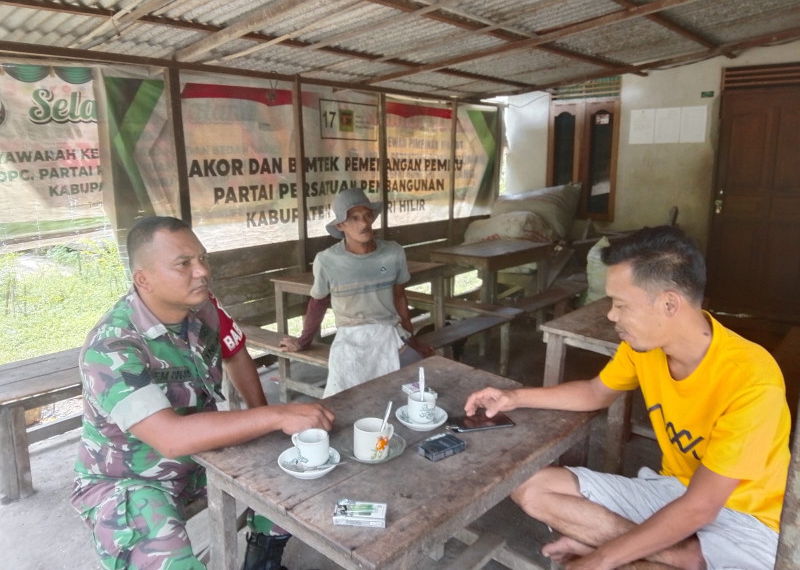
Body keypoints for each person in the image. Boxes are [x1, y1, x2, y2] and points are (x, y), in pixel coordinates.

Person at [464, 225, 790, 570]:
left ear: (669, 303)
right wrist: (514, 397)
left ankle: (630, 551)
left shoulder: (752, 379)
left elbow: (702, 506)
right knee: (530, 487)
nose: (611, 315)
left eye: (620, 304)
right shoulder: (643, 348)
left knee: (619, 566)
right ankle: (677, 556)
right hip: (673, 490)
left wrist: (600, 557)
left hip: (746, 522)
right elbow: (595, 392)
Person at [71, 216, 335, 570]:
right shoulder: (113, 346)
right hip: (130, 478)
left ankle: (262, 560)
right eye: (184, 263)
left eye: (202, 258)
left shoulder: (203, 306)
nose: (202, 271)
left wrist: (269, 422)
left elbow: (235, 351)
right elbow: (170, 438)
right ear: (143, 279)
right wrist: (276, 415)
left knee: (298, 464)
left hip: (203, 455)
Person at [280, 188, 433, 397]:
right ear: (341, 225)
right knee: (344, 395)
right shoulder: (326, 261)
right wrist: (302, 342)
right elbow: (318, 302)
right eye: (354, 218)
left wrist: (413, 342)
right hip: (350, 337)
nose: (363, 224)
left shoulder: (393, 252)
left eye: (367, 216)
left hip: (388, 332)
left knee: (415, 389)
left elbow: (399, 296)